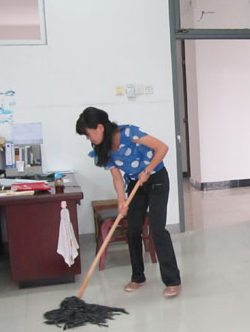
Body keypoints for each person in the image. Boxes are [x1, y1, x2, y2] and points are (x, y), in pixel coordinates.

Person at [76, 107, 182, 297]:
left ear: (100, 127)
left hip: (156, 178)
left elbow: (162, 148)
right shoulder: (102, 149)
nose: (88, 138)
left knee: (157, 229)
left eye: (88, 134)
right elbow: (117, 177)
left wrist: (147, 171)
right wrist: (121, 201)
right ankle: (138, 277)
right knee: (132, 230)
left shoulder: (129, 133)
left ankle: (172, 280)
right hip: (135, 183)